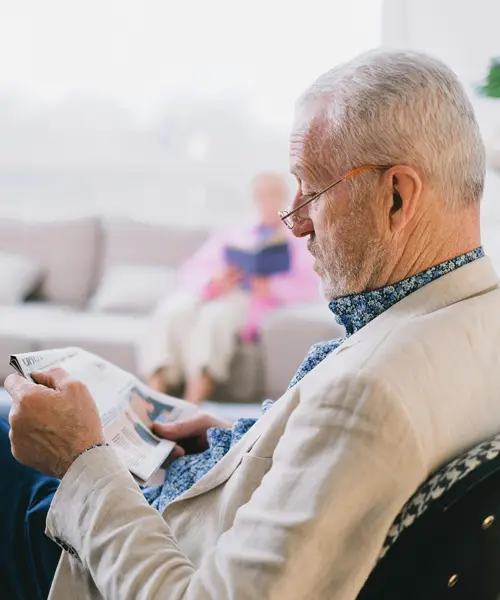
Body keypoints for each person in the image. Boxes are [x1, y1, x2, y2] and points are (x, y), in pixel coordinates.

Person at [3, 49, 500, 600]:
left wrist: (81, 459)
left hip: (112, 564)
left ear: (397, 195)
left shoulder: (366, 399)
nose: (297, 222)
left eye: (311, 189)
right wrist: (233, 442)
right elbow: (321, 479)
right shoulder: (472, 315)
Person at [138, 172, 319, 404]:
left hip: (248, 300)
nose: (267, 200)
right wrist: (216, 279)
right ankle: (154, 399)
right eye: (261, 195)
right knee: (172, 311)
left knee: (215, 320)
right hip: (215, 292)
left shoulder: (295, 238)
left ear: (284, 196)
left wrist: (270, 287)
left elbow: (311, 287)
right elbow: (191, 269)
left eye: (273, 194)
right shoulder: (234, 233)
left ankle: (191, 406)